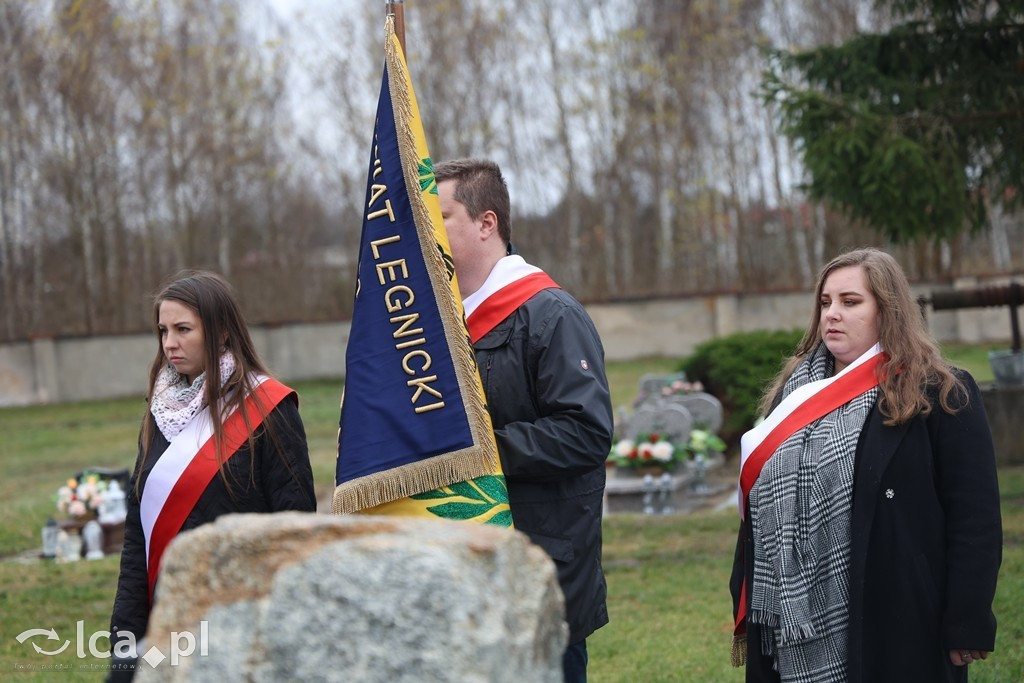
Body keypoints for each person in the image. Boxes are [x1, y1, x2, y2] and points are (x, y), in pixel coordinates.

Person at [730, 248, 1002, 683]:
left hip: (901, 617)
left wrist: (967, 618)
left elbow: (976, 518)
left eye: (850, 302)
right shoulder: (793, 393)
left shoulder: (939, 390)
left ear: (888, 310)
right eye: (825, 302)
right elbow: (757, 507)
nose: (831, 315)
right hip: (787, 625)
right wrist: (740, 587)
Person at [434, 159, 614, 683]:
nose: (429, 230)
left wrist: (478, 449)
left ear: (487, 223)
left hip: (538, 561)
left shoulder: (551, 314)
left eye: (441, 216)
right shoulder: (437, 323)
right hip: (462, 561)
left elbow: (586, 433)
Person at [109, 271, 316, 673]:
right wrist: (126, 638)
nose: (170, 343)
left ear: (221, 332)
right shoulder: (158, 414)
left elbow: (295, 531)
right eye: (163, 330)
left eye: (183, 329)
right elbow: (138, 533)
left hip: (239, 623)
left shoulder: (270, 410)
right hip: (166, 615)